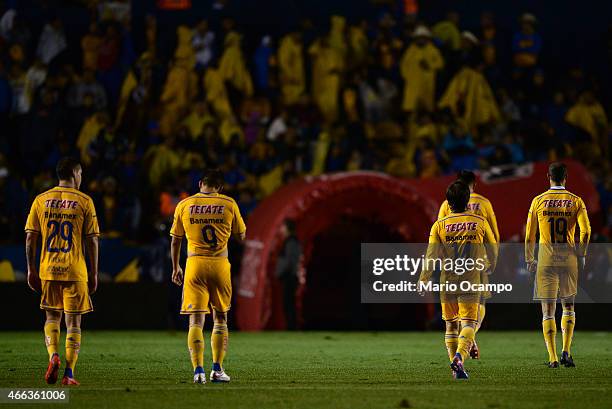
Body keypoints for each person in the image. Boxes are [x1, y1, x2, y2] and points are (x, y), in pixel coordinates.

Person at [24, 157, 100, 386]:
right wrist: (94, 273)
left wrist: (31, 269)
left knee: (52, 317)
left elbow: (30, 238)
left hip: (48, 270)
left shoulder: (41, 199)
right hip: (75, 270)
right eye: (81, 174)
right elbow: (92, 241)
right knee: (74, 323)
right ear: (76, 174)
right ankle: (69, 374)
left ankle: (52, 355)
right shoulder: (85, 200)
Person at [170, 169, 246, 384]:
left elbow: (176, 240)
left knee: (196, 319)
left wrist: (176, 266)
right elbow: (241, 236)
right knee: (220, 318)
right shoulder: (229, 203)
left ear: (200, 183)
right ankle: (217, 369)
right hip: (220, 264)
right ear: (219, 188)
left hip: (194, 264)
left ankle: (198, 371)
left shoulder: (184, 204)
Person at [420, 181, 498, 379]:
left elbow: (431, 255)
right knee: (469, 324)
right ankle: (459, 358)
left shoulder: (439, 225)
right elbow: (493, 247)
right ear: (467, 200)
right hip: (470, 281)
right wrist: (491, 263)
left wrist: (424, 278)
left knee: (451, 326)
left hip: (448, 282)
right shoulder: (479, 221)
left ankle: (455, 371)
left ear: (448, 202)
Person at [525, 162, 590, 368]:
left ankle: (553, 358)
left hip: (546, 261)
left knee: (548, 311)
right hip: (569, 260)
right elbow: (586, 231)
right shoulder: (576, 201)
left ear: (548, 177)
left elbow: (529, 235)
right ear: (566, 178)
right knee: (569, 306)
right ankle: (566, 352)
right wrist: (581, 253)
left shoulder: (538, 201)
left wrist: (529, 259)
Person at [437, 170, 500, 359]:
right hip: (477, 264)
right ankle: (469, 337)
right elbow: (494, 236)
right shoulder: (484, 204)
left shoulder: (445, 206)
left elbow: (439, 235)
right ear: (475, 184)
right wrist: (492, 261)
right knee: (477, 306)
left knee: (452, 318)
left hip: (451, 268)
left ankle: (463, 344)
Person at [275, 219, 302, 330]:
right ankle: (291, 326)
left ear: (287, 228)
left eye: (282, 226)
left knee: (289, 303)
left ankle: (292, 327)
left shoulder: (291, 241)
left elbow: (289, 260)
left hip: (290, 276)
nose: (281, 229)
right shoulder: (290, 241)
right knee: (288, 303)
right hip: (289, 276)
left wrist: (280, 273)